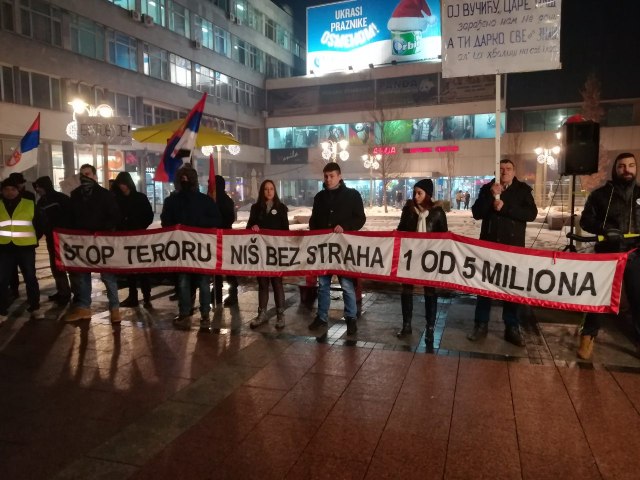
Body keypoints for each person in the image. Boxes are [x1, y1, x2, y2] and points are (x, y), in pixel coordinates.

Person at [467, 159, 538, 347]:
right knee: (484, 287)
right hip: (489, 246)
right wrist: (491, 196)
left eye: (508, 169)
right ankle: (481, 324)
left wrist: (505, 208)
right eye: (500, 169)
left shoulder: (522, 190)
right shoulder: (487, 188)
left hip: (512, 248)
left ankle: (511, 326)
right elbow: (477, 213)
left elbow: (531, 214)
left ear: (514, 171)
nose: (504, 172)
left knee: (511, 288)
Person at [577, 153, 640, 360]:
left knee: (638, 299)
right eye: (622, 166)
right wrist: (604, 229)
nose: (627, 170)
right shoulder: (600, 195)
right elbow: (586, 220)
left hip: (635, 255)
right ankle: (588, 336)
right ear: (615, 169)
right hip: (607, 256)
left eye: (631, 165)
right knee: (599, 297)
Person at [161, 165, 222, 331]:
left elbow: (165, 222)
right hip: (193, 249)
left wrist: (192, 225)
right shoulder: (200, 200)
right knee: (195, 281)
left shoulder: (174, 201)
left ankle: (189, 314)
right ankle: (200, 315)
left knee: (189, 281)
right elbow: (216, 220)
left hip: (190, 249)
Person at [308, 162, 366, 335]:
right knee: (323, 284)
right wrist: (315, 231)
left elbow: (360, 219)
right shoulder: (320, 197)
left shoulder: (352, 195)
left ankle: (351, 318)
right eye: (326, 176)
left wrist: (345, 226)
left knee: (347, 285)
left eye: (332, 176)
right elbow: (313, 219)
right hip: (324, 248)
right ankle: (321, 317)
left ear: (339, 176)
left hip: (343, 249)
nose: (328, 179)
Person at [63, 164, 122, 324]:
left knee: (108, 276)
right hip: (83, 242)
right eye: (82, 174)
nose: (85, 177)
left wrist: (103, 230)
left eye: (88, 174)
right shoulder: (76, 195)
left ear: (95, 176)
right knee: (83, 276)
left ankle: (115, 309)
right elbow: (71, 217)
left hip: (102, 241)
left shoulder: (105, 194)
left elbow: (114, 216)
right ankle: (84, 308)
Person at [396, 179, 448, 346]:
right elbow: (400, 230)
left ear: (428, 195)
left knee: (430, 291)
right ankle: (406, 325)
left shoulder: (437, 212)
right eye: (415, 192)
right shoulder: (409, 210)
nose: (416, 196)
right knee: (406, 290)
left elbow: (444, 237)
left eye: (420, 193)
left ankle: (430, 328)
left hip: (429, 259)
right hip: (410, 257)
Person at [246, 179, 290, 329]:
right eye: (266, 189)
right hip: (260, 253)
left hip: (276, 253)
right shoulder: (255, 208)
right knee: (263, 283)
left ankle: (280, 315)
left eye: (271, 189)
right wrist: (253, 227)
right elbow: (248, 227)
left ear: (275, 191)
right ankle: (262, 314)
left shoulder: (281, 208)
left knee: (277, 283)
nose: (269, 191)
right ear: (262, 191)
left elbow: (286, 230)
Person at [0, 176, 44, 319]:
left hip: (25, 248)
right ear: (2, 191)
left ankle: (35, 307)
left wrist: (33, 239)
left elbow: (39, 224)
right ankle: (2, 310)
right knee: (2, 279)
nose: (9, 192)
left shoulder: (29, 204)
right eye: (6, 189)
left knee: (30, 277)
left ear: (18, 190)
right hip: (4, 248)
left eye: (13, 189)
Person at [112, 172, 155, 308]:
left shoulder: (139, 198)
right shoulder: (117, 200)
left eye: (124, 184)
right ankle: (133, 296)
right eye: (120, 184)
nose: (122, 187)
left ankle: (146, 295)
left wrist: (140, 226)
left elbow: (149, 215)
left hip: (139, 237)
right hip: (125, 238)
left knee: (142, 267)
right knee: (129, 268)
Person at [32, 176, 72, 305]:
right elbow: (40, 222)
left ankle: (71, 293)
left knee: (67, 265)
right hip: (51, 238)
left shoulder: (60, 199)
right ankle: (62, 291)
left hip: (63, 238)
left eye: (39, 187)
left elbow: (70, 217)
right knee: (56, 266)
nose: (37, 190)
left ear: (44, 186)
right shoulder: (42, 201)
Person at [6, 172, 35, 300]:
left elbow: (37, 221)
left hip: (25, 244)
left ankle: (33, 301)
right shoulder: (3, 200)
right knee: (8, 273)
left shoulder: (28, 197)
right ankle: (13, 292)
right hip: (6, 244)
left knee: (29, 274)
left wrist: (34, 237)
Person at [211, 175, 239, 307]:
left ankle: (227, 293)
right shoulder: (218, 200)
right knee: (222, 267)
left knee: (224, 267)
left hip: (222, 237)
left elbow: (229, 218)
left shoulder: (221, 201)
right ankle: (219, 293)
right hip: (221, 237)